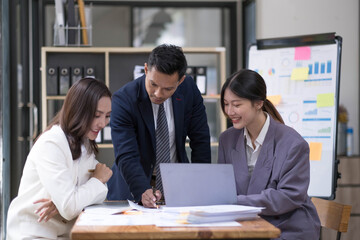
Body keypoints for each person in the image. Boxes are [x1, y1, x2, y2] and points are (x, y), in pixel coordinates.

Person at [218, 69, 320, 239]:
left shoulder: (293, 144)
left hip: (287, 228)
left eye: (236, 105)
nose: (229, 111)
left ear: (258, 103)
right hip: (247, 226)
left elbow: (288, 196)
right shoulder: (227, 139)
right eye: (226, 103)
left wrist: (235, 202)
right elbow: (223, 187)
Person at [6, 78, 113, 240]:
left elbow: (94, 197)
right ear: (78, 111)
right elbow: (71, 206)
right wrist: (97, 180)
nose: (103, 123)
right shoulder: (52, 143)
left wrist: (66, 201)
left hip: (64, 234)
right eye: (97, 115)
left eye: (107, 116)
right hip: (33, 233)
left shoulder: (85, 144)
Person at [107, 44, 211, 207]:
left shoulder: (188, 89)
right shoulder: (124, 99)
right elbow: (126, 154)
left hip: (176, 184)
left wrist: (199, 184)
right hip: (132, 187)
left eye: (168, 88)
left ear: (180, 80)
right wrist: (142, 189)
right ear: (146, 69)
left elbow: (201, 139)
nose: (158, 94)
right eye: (153, 84)